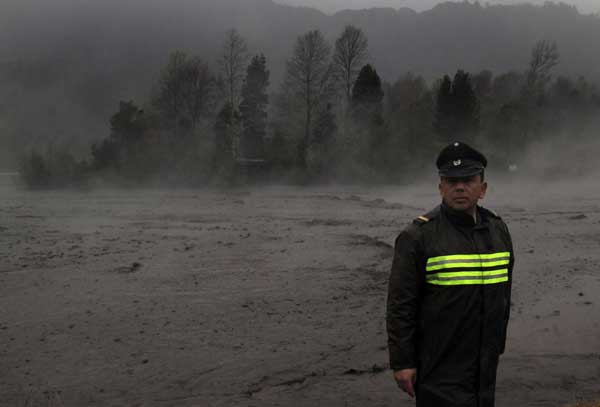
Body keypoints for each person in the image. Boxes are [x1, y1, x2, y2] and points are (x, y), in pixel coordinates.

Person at [386, 141, 515, 407]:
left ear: (483, 189)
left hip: (485, 365)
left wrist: (496, 346)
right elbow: (401, 306)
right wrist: (403, 362)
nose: (460, 187)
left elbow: (504, 294)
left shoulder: (498, 231)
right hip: (438, 366)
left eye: (468, 180)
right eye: (451, 180)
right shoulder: (417, 237)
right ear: (441, 187)